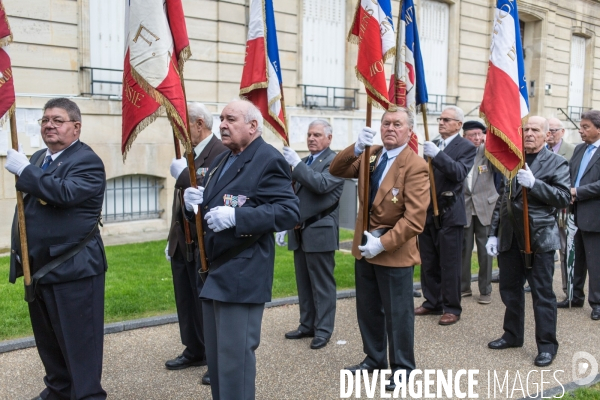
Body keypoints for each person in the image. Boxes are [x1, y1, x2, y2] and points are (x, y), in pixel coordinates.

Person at [183, 99, 300, 400]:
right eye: (221, 118)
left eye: (230, 119)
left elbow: (289, 212)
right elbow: (211, 210)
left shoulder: (267, 159)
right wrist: (192, 207)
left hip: (242, 272)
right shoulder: (225, 158)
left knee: (235, 361)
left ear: (252, 126)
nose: (222, 124)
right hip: (213, 270)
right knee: (218, 361)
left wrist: (237, 217)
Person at [6, 98, 108, 399]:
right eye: (45, 120)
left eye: (57, 120)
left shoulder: (86, 161)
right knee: (49, 342)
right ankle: (59, 390)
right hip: (40, 268)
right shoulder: (39, 158)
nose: (49, 125)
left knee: (79, 345)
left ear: (76, 127)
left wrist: (26, 172)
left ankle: (87, 395)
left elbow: (65, 193)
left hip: (72, 269)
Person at [329, 107, 430, 391]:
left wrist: (381, 244)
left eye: (397, 124)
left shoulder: (415, 165)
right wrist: (357, 146)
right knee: (369, 310)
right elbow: (336, 169)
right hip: (365, 248)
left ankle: (403, 368)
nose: (389, 128)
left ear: (409, 131)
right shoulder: (371, 155)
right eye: (386, 123)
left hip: (393, 251)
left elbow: (415, 219)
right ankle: (374, 358)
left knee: (398, 315)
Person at [486, 116, 570, 367]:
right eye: (526, 130)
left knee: (543, 294)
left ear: (548, 135)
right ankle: (512, 335)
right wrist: (493, 232)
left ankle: (546, 346)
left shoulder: (557, 162)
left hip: (539, 238)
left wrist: (535, 184)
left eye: (536, 130)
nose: (530, 134)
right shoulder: (513, 160)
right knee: (510, 290)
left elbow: (563, 198)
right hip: (511, 237)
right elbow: (503, 200)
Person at [165, 102, 227, 384]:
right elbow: (181, 204)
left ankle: (217, 358)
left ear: (198, 124)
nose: (178, 132)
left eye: (182, 125)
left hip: (206, 241)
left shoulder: (221, 152)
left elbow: (209, 192)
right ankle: (194, 348)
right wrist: (172, 238)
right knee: (186, 299)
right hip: (184, 240)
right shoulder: (189, 154)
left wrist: (183, 175)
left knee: (208, 302)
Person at [276, 120, 344, 349]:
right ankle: (307, 324)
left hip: (320, 229)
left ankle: (323, 330)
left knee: (322, 284)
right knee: (304, 283)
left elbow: (321, 185)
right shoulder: (304, 162)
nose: (311, 138)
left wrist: (297, 164)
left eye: (317, 134)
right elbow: (292, 193)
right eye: (309, 134)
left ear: (329, 138)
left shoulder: (336, 162)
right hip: (299, 231)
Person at [416, 106, 476, 325]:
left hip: (450, 211)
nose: (441, 122)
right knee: (429, 260)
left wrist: (437, 155)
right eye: (440, 119)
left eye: (446, 119)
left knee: (449, 263)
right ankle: (432, 301)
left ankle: (452, 307)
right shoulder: (434, 143)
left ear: (458, 125)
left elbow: (459, 173)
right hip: (428, 210)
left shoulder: (466, 146)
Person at [566, 109, 600, 320]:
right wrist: (565, 190)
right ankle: (574, 296)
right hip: (573, 211)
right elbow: (570, 174)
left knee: (595, 261)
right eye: (581, 126)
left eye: (586, 127)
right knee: (575, 257)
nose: (581, 130)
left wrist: (577, 192)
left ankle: (597, 302)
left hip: (594, 214)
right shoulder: (579, 149)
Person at [461, 120, 498, 304]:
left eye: (479, 134)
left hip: (485, 207)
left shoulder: (489, 152)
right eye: (472, 135)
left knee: (485, 252)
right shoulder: (459, 153)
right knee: (464, 251)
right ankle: (464, 287)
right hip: (465, 208)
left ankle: (485, 290)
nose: (477, 138)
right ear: (464, 136)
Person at [546, 117, 576, 300]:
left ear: (562, 132)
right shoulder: (540, 151)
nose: (550, 135)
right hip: (543, 208)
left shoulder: (572, 151)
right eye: (547, 131)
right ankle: (541, 285)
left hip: (563, 208)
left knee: (564, 249)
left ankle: (568, 289)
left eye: (554, 130)